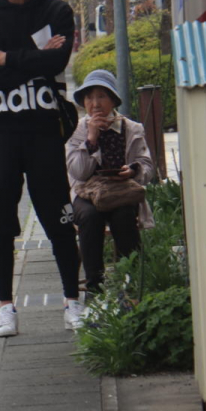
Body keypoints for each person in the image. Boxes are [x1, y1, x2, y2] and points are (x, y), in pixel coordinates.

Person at [0, 0, 84, 336]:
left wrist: (9, 58)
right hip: (0, 133)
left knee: (58, 218)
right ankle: (6, 308)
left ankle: (73, 301)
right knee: (1, 221)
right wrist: (32, 60)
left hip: (44, 131)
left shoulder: (55, 11)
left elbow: (57, 59)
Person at [66, 69, 154, 295]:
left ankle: (130, 281)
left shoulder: (132, 129)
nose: (95, 103)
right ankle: (95, 284)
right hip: (86, 193)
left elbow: (147, 167)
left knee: (124, 215)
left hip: (121, 191)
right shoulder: (76, 130)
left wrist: (132, 170)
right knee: (89, 216)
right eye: (89, 97)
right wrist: (91, 139)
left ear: (113, 99)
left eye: (101, 96)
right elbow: (79, 172)